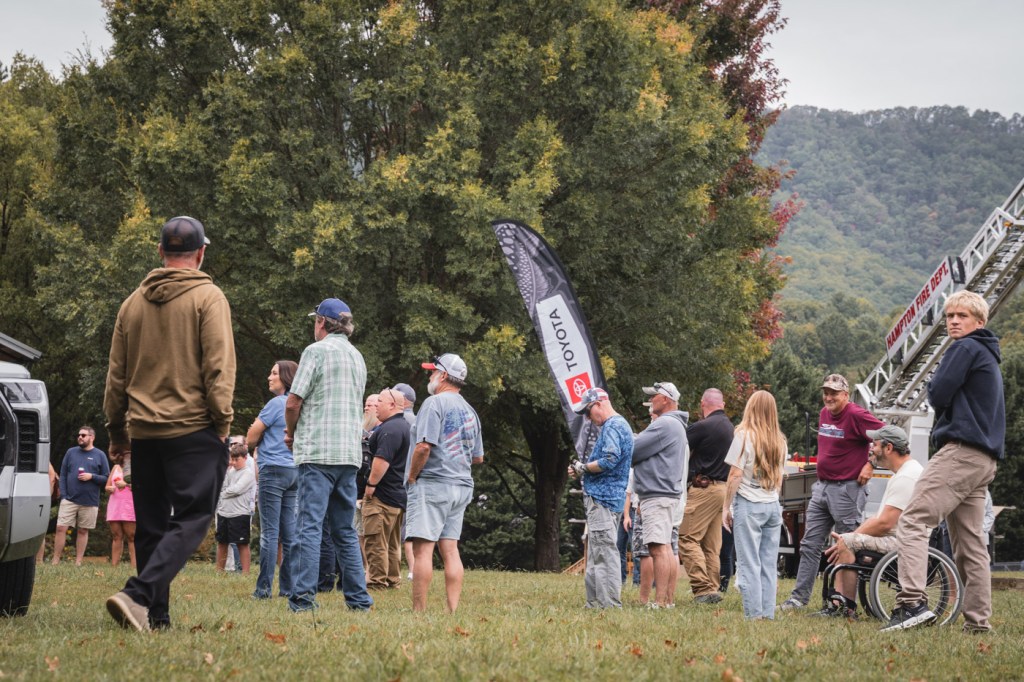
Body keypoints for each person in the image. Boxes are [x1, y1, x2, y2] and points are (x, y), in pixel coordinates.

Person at [104, 216, 235, 631]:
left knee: (151, 526)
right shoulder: (209, 297)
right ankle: (138, 595)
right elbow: (218, 369)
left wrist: (117, 433)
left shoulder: (132, 304)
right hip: (194, 427)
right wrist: (223, 423)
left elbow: (116, 377)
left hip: (144, 432)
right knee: (194, 517)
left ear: (160, 251)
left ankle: (154, 617)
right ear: (201, 253)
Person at [885, 291, 1004, 633]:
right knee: (971, 546)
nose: (953, 321)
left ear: (979, 321)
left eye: (962, 315)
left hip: (961, 452)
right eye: (949, 315)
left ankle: (912, 603)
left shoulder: (965, 348)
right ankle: (978, 623)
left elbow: (936, 393)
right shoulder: (988, 355)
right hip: (984, 460)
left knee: (912, 520)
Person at [285, 298, 373, 613]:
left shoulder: (315, 352)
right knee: (344, 530)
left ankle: (302, 600)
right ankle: (359, 601)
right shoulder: (357, 357)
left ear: (322, 322)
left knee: (308, 526)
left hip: (318, 451)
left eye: (315, 320)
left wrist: (291, 433)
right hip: (348, 454)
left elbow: (293, 401)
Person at [781, 373, 882, 611]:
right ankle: (798, 599)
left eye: (834, 393)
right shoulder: (824, 414)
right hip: (822, 487)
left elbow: (888, 435)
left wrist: (871, 464)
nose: (829, 397)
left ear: (846, 395)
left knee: (847, 546)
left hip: (847, 489)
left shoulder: (857, 415)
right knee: (809, 544)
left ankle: (844, 603)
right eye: (826, 393)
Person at [815, 424, 922, 619]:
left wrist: (849, 538)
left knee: (848, 542)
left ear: (888, 448)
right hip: (899, 537)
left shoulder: (906, 477)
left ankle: (845, 607)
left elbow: (885, 524)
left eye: (875, 445)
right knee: (847, 539)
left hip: (902, 542)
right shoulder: (905, 472)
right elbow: (879, 519)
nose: (871, 449)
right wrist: (850, 536)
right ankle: (840, 603)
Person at [406, 353, 484, 612]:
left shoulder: (433, 403)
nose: (430, 375)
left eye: (433, 371)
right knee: (450, 550)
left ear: (443, 376)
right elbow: (478, 457)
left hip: (433, 484)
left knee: (423, 551)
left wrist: (412, 476)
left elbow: (423, 447)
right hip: (461, 486)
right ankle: (452, 610)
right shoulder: (471, 411)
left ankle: (419, 612)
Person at [722, 390, 787, 620]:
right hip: (772, 504)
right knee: (768, 565)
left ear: (750, 408)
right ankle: (767, 615)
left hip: (749, 503)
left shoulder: (743, 435)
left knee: (749, 563)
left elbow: (735, 474)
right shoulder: (780, 440)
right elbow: (779, 478)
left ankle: (754, 616)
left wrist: (726, 507)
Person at [567, 387, 633, 609]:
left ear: (598, 404)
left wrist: (583, 468)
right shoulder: (618, 424)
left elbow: (609, 459)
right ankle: (594, 603)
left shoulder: (613, 425)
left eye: (588, 411)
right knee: (597, 552)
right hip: (607, 497)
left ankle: (609, 605)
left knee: (604, 552)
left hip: (603, 498)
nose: (587, 418)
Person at [631, 382, 688, 608]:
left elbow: (633, 450)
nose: (650, 401)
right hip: (666, 493)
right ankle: (667, 601)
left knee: (657, 548)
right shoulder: (676, 425)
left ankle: (659, 602)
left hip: (657, 494)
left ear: (665, 399)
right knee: (666, 547)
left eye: (653, 396)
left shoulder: (664, 424)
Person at [247, 360, 300, 598]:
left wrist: (255, 444)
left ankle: (263, 589)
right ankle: (287, 588)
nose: (269, 377)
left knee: (269, 533)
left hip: (273, 469)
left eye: (274, 373)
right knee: (289, 535)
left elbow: (251, 435)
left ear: (286, 378)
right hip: (294, 470)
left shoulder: (276, 404)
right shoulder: (299, 404)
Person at [680, 388, 733, 604]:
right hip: (723, 489)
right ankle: (713, 588)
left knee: (687, 538)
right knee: (711, 546)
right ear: (723, 405)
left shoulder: (702, 427)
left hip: (704, 489)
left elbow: (678, 449)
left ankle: (702, 589)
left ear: (703, 404)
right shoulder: (730, 428)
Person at [363, 387, 410, 588]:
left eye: (380, 402)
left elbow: (382, 460)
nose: (376, 407)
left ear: (391, 405)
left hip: (382, 495)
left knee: (375, 541)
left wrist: (370, 485)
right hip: (397, 494)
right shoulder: (404, 426)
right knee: (391, 543)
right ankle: (392, 580)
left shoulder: (390, 430)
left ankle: (376, 582)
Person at [53, 427, 110, 565]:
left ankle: (78, 562)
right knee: (60, 528)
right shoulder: (71, 452)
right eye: (79, 435)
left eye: (83, 435)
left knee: (83, 531)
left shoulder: (100, 455)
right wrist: (64, 495)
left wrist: (92, 476)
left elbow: (106, 478)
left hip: (89, 500)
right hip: (69, 499)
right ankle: (55, 561)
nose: (80, 437)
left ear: (92, 437)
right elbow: (63, 475)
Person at [216, 441, 256, 573]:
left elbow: (237, 489)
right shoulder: (230, 471)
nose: (233, 462)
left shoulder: (248, 473)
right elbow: (222, 486)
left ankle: (245, 573)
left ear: (245, 458)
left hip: (240, 514)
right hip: (224, 512)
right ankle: (219, 571)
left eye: (236, 459)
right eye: (231, 459)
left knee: (242, 544)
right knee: (222, 543)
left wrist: (222, 494)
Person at [105, 450, 136, 567]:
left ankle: (134, 566)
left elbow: (143, 486)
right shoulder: (115, 467)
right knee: (116, 536)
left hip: (129, 505)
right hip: (115, 505)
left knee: (131, 536)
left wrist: (126, 484)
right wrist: (109, 488)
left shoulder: (137, 467)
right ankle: (114, 566)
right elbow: (107, 486)